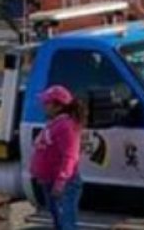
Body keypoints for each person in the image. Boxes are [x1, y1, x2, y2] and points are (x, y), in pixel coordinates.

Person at [30, 85, 85, 230]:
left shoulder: (66, 126)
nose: (44, 106)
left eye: (47, 103)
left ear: (57, 106)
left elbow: (70, 156)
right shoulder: (55, 123)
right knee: (59, 222)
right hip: (49, 180)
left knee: (65, 223)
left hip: (63, 183)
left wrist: (61, 181)